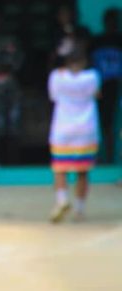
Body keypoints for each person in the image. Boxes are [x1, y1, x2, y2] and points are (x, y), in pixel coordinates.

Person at [48, 46, 101, 222]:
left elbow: (53, 96)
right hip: (86, 130)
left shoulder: (56, 77)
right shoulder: (92, 76)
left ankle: (62, 200)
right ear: (84, 62)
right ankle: (79, 210)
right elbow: (96, 94)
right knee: (83, 172)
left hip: (62, 129)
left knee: (60, 169)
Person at [91, 7, 122, 163]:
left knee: (115, 123)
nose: (112, 24)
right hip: (99, 86)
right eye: (110, 21)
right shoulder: (97, 41)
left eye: (115, 21)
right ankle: (102, 157)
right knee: (101, 123)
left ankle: (111, 158)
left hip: (117, 85)